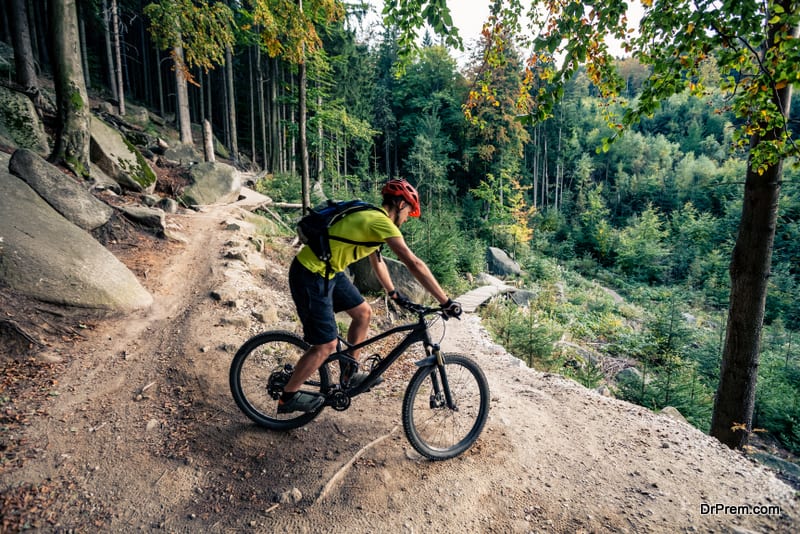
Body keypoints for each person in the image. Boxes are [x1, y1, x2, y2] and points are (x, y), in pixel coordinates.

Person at [279, 179, 462, 413]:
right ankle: (288, 396)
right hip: (311, 273)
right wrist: (445, 302)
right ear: (400, 204)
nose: (407, 218)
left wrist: (393, 292)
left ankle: (349, 373)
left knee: (363, 313)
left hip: (329, 271)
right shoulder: (380, 221)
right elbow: (413, 262)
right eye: (409, 211)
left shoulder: (374, 217)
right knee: (326, 344)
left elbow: (377, 259)